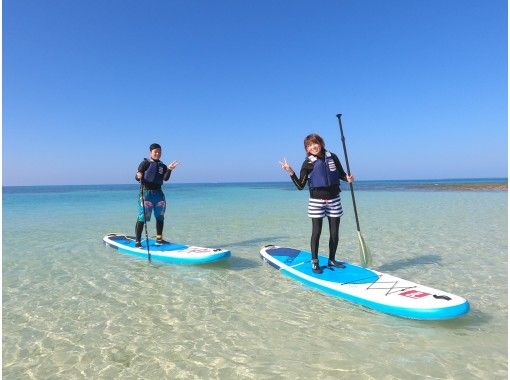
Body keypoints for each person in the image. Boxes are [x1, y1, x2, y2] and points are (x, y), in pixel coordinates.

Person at [279, 133, 353, 274]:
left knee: (334, 233)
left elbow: (341, 175)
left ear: (321, 143)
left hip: (334, 199)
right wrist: (290, 172)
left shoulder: (333, 157)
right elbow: (300, 185)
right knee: (316, 232)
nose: (313, 147)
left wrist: (348, 178)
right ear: (307, 149)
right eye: (309, 145)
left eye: (315, 143)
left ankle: (332, 259)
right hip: (316, 201)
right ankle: (315, 262)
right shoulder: (308, 163)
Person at [134, 143, 179, 248]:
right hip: (146, 193)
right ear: (151, 152)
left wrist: (169, 169)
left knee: (160, 217)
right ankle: (138, 241)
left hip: (159, 194)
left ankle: (159, 239)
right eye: (156, 151)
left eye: (159, 152)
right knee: (142, 217)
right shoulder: (145, 163)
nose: (158, 153)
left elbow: (165, 178)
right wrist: (138, 175)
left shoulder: (162, 166)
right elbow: (137, 176)